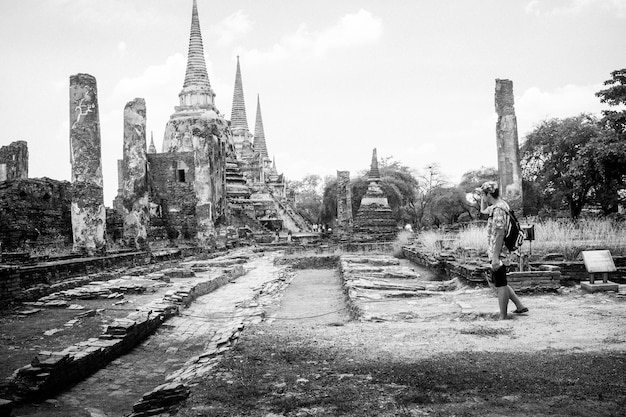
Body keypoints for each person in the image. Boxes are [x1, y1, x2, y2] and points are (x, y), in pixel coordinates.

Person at [480, 181, 529, 320]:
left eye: (483, 194)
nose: (482, 197)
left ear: (488, 194)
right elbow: (483, 211)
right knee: (500, 281)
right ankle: (519, 306)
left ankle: (503, 316)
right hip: (500, 251)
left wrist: (495, 257)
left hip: (499, 252)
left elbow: (500, 233)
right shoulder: (500, 205)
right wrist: (481, 197)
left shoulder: (498, 210)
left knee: (500, 283)